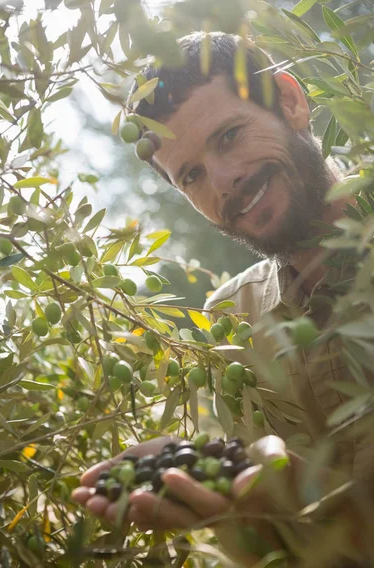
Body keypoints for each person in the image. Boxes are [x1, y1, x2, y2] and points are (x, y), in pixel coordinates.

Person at [72, 32, 372, 565]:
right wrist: (233, 511)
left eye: (229, 136)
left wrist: (308, 495)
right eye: (190, 175)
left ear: (290, 101)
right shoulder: (234, 321)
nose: (224, 181)